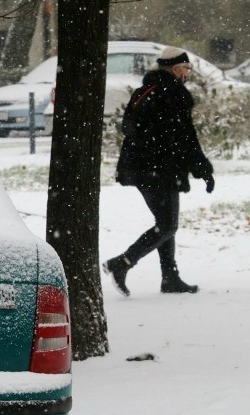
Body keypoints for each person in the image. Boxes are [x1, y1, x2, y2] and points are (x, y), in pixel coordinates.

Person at [103, 46, 214, 296]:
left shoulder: (146, 90)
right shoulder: (172, 93)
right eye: (186, 68)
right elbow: (186, 137)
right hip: (158, 168)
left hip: (143, 167)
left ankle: (170, 278)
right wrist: (202, 169)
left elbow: (128, 126)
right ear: (175, 69)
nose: (188, 73)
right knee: (167, 225)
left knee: (165, 222)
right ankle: (121, 263)